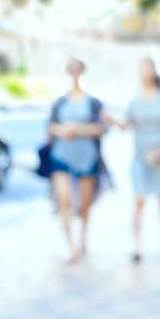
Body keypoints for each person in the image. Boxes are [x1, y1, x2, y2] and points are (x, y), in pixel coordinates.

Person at [118, 57, 160, 263]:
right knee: (139, 199)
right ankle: (136, 244)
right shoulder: (135, 98)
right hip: (141, 156)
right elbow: (126, 122)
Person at [48, 58, 111, 264]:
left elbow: (101, 128)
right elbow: (50, 127)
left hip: (86, 156)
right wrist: (62, 130)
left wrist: (79, 129)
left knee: (85, 203)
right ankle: (70, 245)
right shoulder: (59, 102)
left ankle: (83, 239)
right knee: (63, 199)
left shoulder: (93, 102)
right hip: (62, 154)